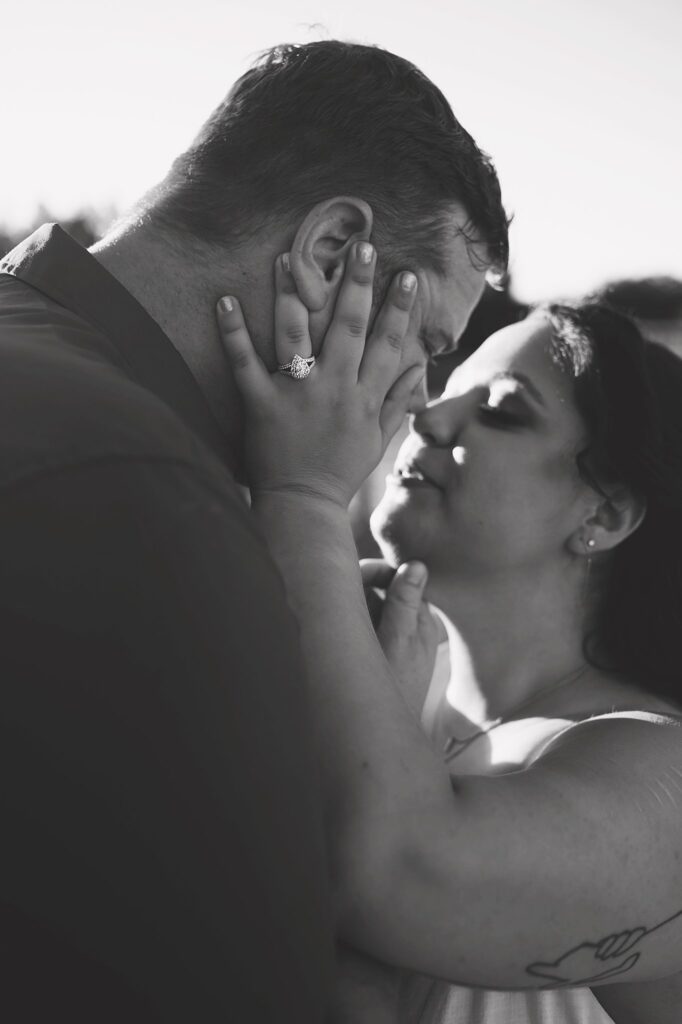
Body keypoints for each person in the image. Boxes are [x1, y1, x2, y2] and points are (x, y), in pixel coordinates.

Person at [0, 40, 509, 1020]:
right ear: (330, 255)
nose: (420, 399)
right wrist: (378, 742)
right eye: (431, 345)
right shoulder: (149, 503)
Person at [216, 253, 682, 1023]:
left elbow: (390, 876)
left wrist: (302, 493)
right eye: (446, 389)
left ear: (602, 515)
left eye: (501, 410)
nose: (428, 418)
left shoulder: (659, 770)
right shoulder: (380, 667)